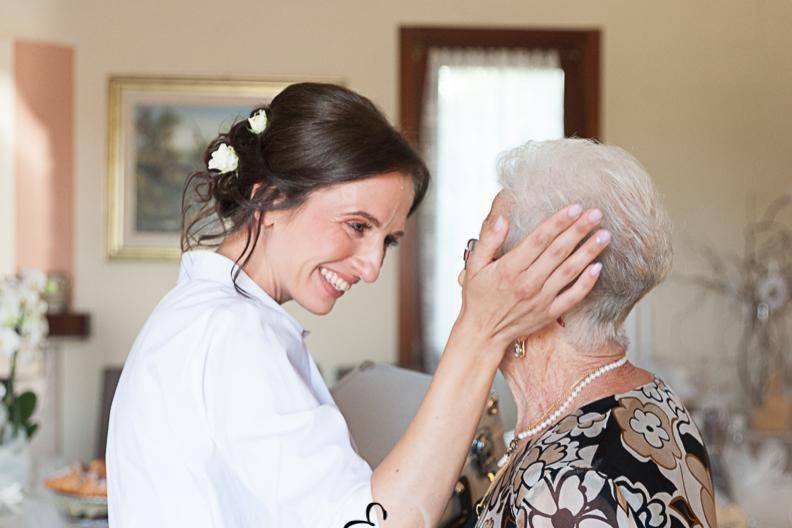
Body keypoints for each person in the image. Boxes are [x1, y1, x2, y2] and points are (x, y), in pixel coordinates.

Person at [106, 83, 611, 528]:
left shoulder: (214, 317)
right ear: (271, 199)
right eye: (357, 226)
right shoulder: (231, 333)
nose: (371, 268)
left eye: (387, 241)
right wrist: (480, 333)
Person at [472, 139, 714, 528]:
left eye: (485, 254)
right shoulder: (651, 398)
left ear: (554, 293)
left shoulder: (559, 492)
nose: (468, 273)